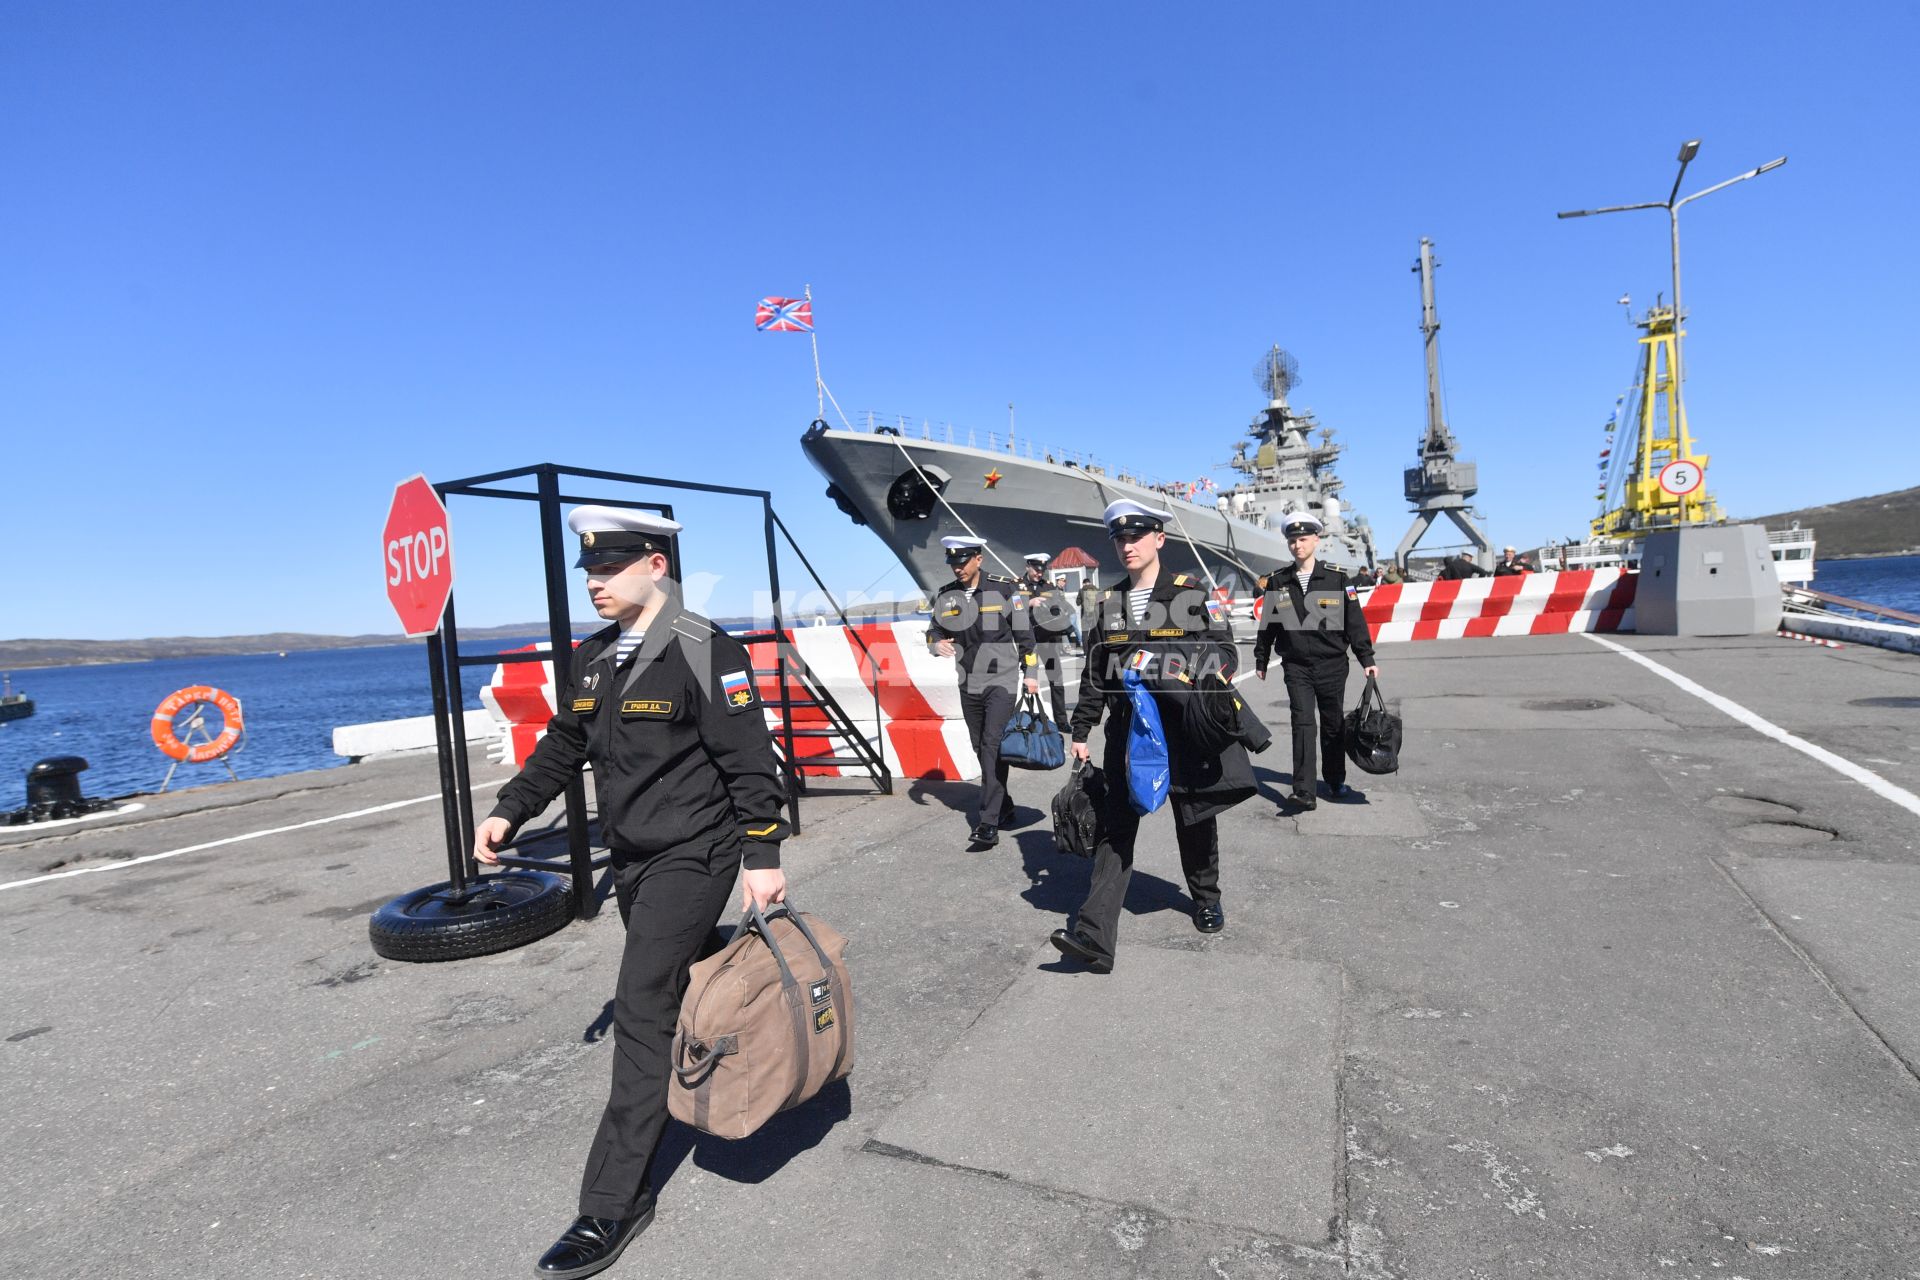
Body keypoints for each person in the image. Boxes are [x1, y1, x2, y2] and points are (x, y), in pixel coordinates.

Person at [472, 506, 789, 1280]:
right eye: (588, 570)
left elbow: (750, 757)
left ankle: (612, 1202)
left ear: (655, 564)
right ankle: (753, 1048)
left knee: (641, 1006)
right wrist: (512, 807)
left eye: (608, 569)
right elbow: (564, 743)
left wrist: (762, 852)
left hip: (696, 850)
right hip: (634, 858)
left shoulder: (702, 647)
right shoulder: (592, 659)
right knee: (677, 978)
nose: (594, 584)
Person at [1050, 500, 1244, 974]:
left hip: (1182, 727)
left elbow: (1226, 653)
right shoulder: (1107, 603)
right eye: (1119, 538)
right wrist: (1081, 728)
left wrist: (1179, 670)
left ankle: (1205, 897)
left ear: (1159, 539)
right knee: (1116, 827)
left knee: (1194, 817)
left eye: (1136, 536)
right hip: (1127, 729)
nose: (1126, 545)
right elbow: (1097, 673)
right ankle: (1094, 935)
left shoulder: (1189, 592)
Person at [1252, 511, 1380, 813]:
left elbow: (1355, 622)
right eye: (1292, 540)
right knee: (1303, 723)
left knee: (1333, 724)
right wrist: (1261, 657)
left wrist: (1367, 658)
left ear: (1316, 541)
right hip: (1296, 666)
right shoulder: (1278, 583)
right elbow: (1268, 625)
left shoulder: (1337, 579)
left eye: (1303, 539)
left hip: (1332, 664)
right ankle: (1304, 791)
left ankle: (1335, 780)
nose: (1297, 545)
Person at [926, 535, 1039, 849]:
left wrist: (1031, 673)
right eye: (953, 563)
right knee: (982, 748)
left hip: (1001, 680)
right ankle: (1005, 806)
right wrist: (935, 643)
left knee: (991, 745)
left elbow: (1025, 637)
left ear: (979, 559)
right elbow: (933, 629)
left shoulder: (1004, 589)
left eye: (962, 561)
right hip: (967, 682)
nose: (957, 568)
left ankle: (987, 823)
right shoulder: (947, 596)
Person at [1019, 552, 1075, 729]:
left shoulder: (1049, 586)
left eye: (1041, 570)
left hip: (1048, 640)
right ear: (1028, 566)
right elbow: (1009, 608)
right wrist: (1029, 602)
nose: (1039, 573)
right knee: (1029, 680)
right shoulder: (1016, 585)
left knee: (1056, 680)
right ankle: (1028, 720)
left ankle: (1061, 721)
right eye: (1035, 569)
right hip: (1029, 643)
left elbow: (1060, 608)